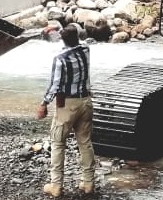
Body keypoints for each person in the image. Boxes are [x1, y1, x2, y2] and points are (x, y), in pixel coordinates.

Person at [36, 24, 95, 197]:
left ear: (62, 39)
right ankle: (88, 183)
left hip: (67, 106)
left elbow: (55, 85)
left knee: (58, 143)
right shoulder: (86, 48)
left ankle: (56, 186)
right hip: (86, 101)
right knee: (85, 143)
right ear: (77, 37)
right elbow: (72, 34)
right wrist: (57, 27)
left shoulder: (60, 58)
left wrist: (43, 104)